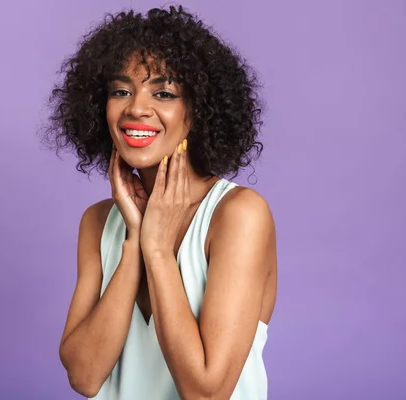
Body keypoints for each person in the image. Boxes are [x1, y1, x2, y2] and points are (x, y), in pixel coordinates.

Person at [43, 5, 277, 399]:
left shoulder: (238, 215)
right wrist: (136, 240)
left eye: (164, 93)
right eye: (121, 91)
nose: (136, 108)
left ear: (197, 111)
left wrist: (156, 247)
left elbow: (206, 391)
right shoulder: (98, 221)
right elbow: (84, 376)